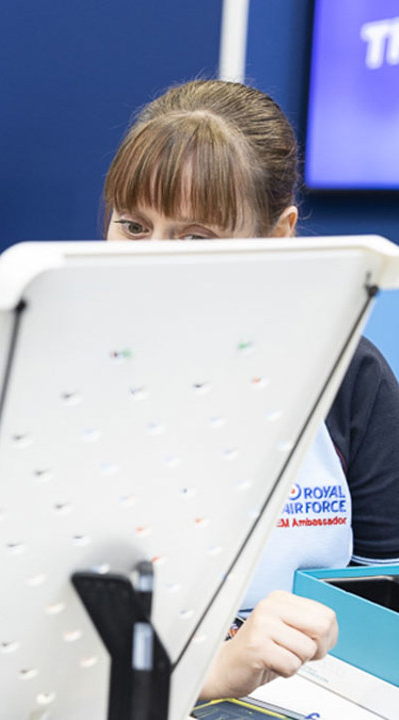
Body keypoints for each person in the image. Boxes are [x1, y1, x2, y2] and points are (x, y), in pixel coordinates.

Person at [102, 78, 399, 700]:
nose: (154, 261)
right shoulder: (59, 377)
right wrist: (211, 673)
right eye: (134, 226)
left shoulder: (347, 377)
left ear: (279, 234)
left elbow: (383, 602)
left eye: (195, 238)